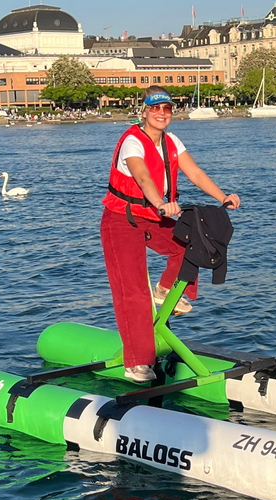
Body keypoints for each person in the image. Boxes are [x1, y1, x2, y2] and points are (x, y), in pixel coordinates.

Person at [101, 86, 240, 383]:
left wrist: (222, 196)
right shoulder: (131, 142)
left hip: (154, 216)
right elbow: (142, 177)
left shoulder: (172, 141)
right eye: (155, 108)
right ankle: (137, 362)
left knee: (190, 242)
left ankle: (165, 290)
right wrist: (161, 203)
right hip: (122, 220)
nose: (161, 114)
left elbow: (195, 173)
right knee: (134, 291)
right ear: (144, 111)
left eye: (167, 109)